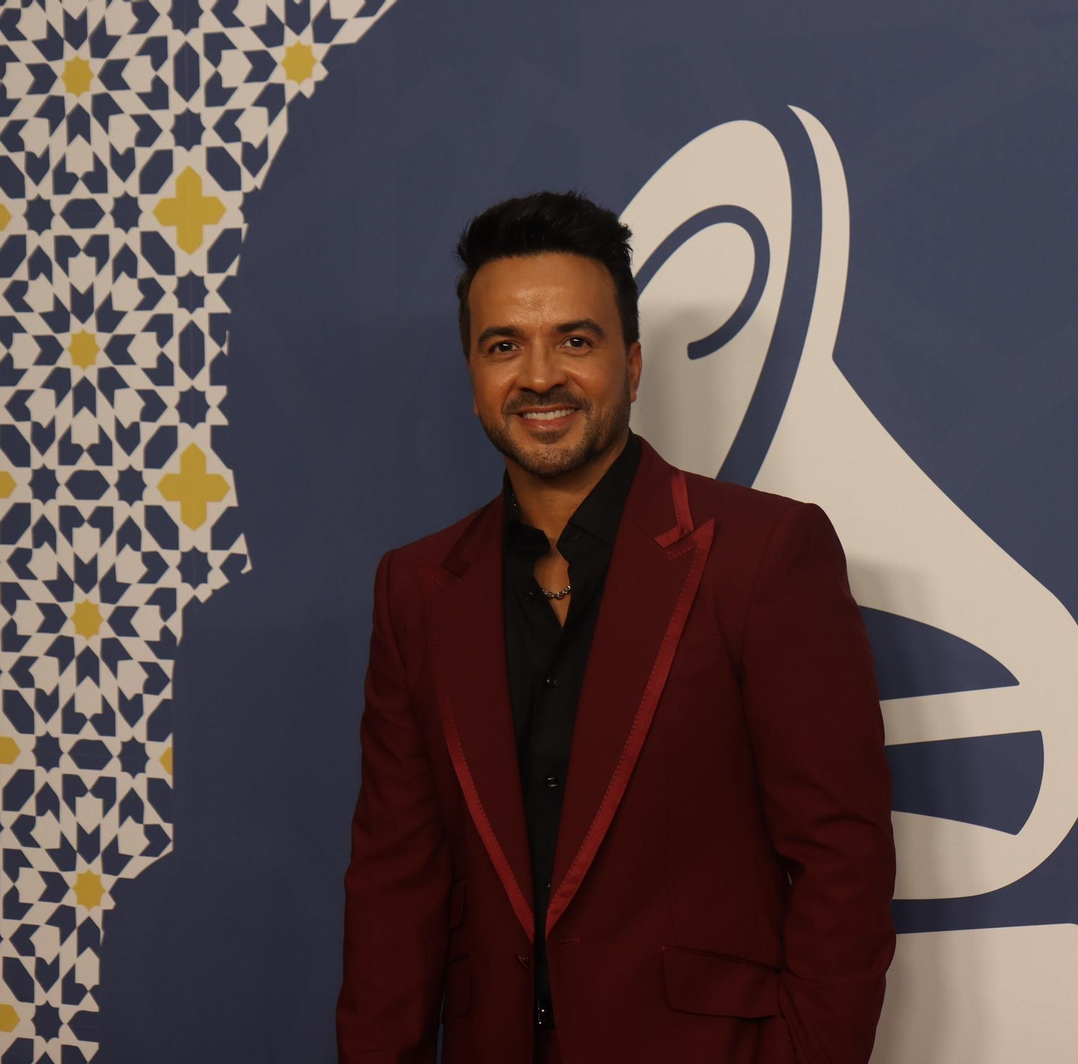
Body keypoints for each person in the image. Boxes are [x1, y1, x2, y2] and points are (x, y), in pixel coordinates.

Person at [336, 191, 896, 1064]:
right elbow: (394, 889)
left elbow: (842, 864)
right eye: (503, 346)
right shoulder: (415, 589)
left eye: (575, 339)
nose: (539, 375)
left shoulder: (764, 556)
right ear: (475, 377)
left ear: (633, 365)